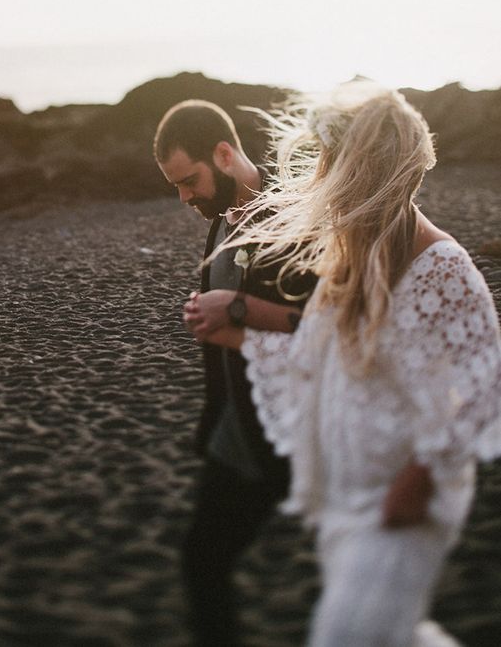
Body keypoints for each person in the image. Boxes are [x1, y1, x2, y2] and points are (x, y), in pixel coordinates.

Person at [183, 80, 501, 646]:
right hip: (346, 499)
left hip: (400, 504)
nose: (324, 176)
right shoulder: (356, 257)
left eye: (335, 161)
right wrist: (239, 338)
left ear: (374, 168)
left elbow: (483, 379)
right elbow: (323, 355)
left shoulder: (441, 265)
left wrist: (422, 475)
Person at [154, 99, 315, 646]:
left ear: (224, 154)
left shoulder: (296, 217)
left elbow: (331, 324)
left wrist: (238, 311)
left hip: (298, 431)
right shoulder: (221, 218)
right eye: (176, 186)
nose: (185, 197)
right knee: (202, 561)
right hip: (235, 431)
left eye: (190, 180)